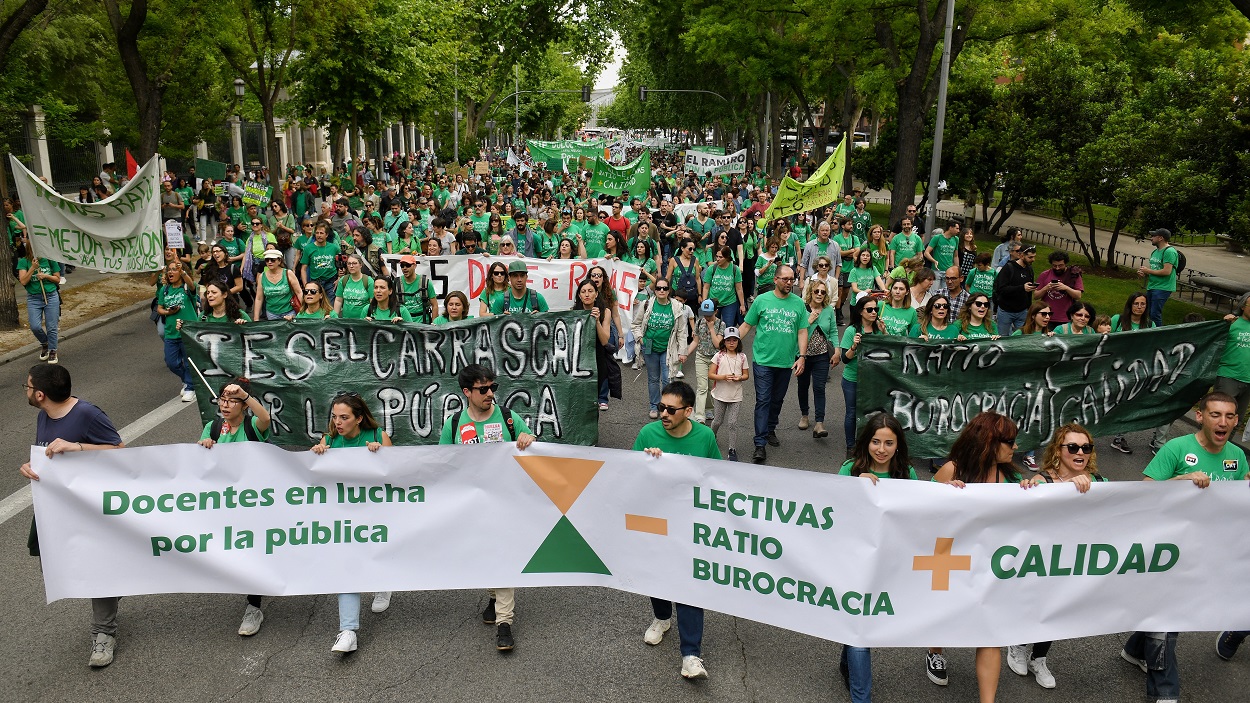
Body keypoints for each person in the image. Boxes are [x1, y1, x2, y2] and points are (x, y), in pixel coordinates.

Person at [1124, 391, 1246, 702]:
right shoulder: (1177, 448)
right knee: (1169, 616)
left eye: (1229, 416)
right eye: (1216, 414)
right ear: (1201, 416)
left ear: (1235, 421)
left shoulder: (1237, 455)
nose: (1223, 422)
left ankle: (1134, 648)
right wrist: (1182, 481)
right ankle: (1165, 693)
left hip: (1206, 552)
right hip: (1168, 550)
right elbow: (1144, 494)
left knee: (1166, 613)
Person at [20, 363, 124, 667]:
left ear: (40, 394)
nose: (25, 391)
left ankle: (104, 634)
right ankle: (117, 584)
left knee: (95, 570)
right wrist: (31, 467)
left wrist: (77, 447)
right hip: (55, 508)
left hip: (90, 509)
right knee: (57, 567)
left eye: (26, 386)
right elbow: (48, 456)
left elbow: (121, 450)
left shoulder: (87, 414)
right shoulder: (44, 414)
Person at [932, 411, 1033, 700]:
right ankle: (935, 649)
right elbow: (922, 517)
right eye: (1010, 441)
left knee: (990, 631)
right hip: (951, 560)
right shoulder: (952, 470)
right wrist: (943, 493)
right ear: (990, 441)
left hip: (988, 565)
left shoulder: (1011, 476)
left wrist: (1029, 492)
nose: (1015, 447)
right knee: (941, 613)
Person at [439, 364, 536, 652]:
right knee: (483, 556)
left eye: (493, 387)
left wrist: (528, 439)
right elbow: (442, 461)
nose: (490, 394)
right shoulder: (454, 423)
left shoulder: (508, 417)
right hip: (471, 506)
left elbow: (533, 445)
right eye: (483, 389)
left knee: (503, 556)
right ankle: (494, 596)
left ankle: (504, 623)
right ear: (467, 392)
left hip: (505, 503)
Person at [1006, 422, 1106, 690]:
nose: (1080, 452)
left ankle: (1039, 657)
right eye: (1072, 446)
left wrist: (1179, 482)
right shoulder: (1042, 480)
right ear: (1059, 450)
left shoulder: (1099, 482)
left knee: (1057, 607)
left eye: (1086, 447)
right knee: (1036, 602)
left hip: (1075, 557)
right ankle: (1018, 643)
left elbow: (1134, 503)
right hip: (1043, 556)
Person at [634, 380, 721, 680]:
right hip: (656, 520)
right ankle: (661, 618)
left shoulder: (705, 437)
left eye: (670, 410)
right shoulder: (648, 434)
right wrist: (647, 462)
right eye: (660, 407)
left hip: (691, 522)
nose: (663, 414)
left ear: (688, 411)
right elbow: (628, 474)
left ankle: (691, 655)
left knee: (689, 585)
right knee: (657, 577)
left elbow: (719, 477)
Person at [310, 392, 394, 653]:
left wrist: (382, 456)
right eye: (335, 417)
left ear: (359, 418)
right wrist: (316, 455)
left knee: (376, 554)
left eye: (344, 417)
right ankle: (348, 630)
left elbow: (399, 476)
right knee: (346, 566)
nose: (338, 422)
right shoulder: (329, 441)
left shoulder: (378, 437)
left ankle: (383, 583)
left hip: (375, 514)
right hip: (344, 516)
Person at [197, 380, 272, 636]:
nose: (225, 405)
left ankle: (254, 607)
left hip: (255, 502)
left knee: (253, 550)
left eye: (232, 400)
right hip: (226, 502)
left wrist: (245, 394)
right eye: (222, 399)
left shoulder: (252, 424)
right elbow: (201, 463)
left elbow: (265, 417)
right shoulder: (214, 426)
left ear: (243, 404)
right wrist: (205, 446)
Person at [739, 265, 809, 464]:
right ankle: (759, 443)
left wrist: (802, 356)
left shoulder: (798, 304)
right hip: (763, 360)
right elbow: (746, 325)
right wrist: (730, 345)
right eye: (785, 279)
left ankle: (770, 428)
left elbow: (802, 331)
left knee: (777, 400)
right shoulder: (762, 300)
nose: (789, 283)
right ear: (776, 279)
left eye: (792, 279)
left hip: (785, 361)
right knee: (763, 400)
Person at [631, 278, 695, 418]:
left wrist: (682, 352)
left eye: (664, 288)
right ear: (654, 290)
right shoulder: (646, 304)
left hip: (668, 349)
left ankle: (666, 406)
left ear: (669, 290)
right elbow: (635, 324)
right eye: (659, 288)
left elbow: (682, 332)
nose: (661, 290)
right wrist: (641, 339)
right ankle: (654, 406)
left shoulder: (676, 306)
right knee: (653, 378)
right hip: (649, 347)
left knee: (667, 378)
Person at [840, 292, 888, 453]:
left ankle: (865, 443)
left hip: (872, 380)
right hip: (853, 378)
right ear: (861, 311)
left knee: (871, 413)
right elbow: (845, 360)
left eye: (875, 309)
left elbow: (889, 353)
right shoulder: (851, 331)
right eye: (869, 310)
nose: (874, 312)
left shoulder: (879, 329)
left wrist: (885, 333)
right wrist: (854, 347)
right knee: (852, 412)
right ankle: (850, 446)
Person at [796, 278, 836, 438]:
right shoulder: (801, 308)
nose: (819, 294)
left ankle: (819, 423)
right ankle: (804, 415)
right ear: (810, 292)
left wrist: (837, 350)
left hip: (822, 355)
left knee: (819, 388)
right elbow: (797, 331)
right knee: (803, 386)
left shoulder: (828, 310)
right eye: (816, 291)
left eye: (823, 292)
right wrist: (809, 320)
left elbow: (833, 331)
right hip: (803, 356)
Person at [574, 279, 622, 410]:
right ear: (579, 295)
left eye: (590, 291)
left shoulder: (605, 311)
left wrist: (596, 321)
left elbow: (605, 340)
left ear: (596, 294)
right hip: (580, 359)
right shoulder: (574, 311)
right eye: (583, 292)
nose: (587, 294)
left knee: (593, 397)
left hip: (598, 358)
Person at [157, 261, 199, 402]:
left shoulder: (187, 287)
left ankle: (190, 388)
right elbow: (160, 308)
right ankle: (187, 380)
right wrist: (169, 312)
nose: (171, 272)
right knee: (171, 362)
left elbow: (193, 285)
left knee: (189, 362)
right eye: (169, 270)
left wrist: (183, 272)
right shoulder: (165, 290)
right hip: (171, 332)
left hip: (187, 331)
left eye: (174, 269)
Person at [17, 242, 62, 364]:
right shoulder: (23, 262)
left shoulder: (50, 260)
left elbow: (58, 279)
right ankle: (45, 343)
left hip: (51, 296)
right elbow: (23, 281)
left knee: (51, 326)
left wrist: (46, 276)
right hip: (34, 298)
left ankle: (53, 350)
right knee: (35, 326)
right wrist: (32, 268)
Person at [709, 327, 749, 461]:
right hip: (720, 394)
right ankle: (711, 436)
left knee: (732, 423)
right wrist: (723, 377)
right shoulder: (719, 356)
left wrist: (740, 378)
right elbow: (711, 374)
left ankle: (732, 449)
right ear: (724, 342)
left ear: (738, 341)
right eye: (728, 340)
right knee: (717, 421)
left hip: (736, 396)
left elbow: (746, 375)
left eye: (734, 340)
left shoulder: (742, 357)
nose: (731, 343)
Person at [1214, 293, 1250, 439]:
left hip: (1248, 380)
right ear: (1242, 306)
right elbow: (1214, 342)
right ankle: (1205, 448)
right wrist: (1223, 323)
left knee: (1236, 420)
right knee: (1218, 417)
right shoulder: (1232, 323)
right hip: (1228, 376)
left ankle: (1223, 450)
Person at [692, 299, 725, 423]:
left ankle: (709, 408)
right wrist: (685, 354)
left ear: (716, 311)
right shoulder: (699, 322)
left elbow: (718, 345)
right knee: (702, 387)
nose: (706, 317)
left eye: (709, 315)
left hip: (714, 359)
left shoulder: (721, 324)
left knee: (711, 386)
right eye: (705, 314)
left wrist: (711, 328)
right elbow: (695, 341)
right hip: (701, 356)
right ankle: (699, 415)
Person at [1138, 228, 1179, 328]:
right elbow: (1155, 270)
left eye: (1153, 236)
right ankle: (1148, 332)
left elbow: (1166, 271)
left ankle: (1159, 336)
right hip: (1152, 286)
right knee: (1147, 313)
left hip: (1163, 287)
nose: (1151, 238)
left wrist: (1148, 271)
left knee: (1154, 314)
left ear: (1160, 238)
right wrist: (1144, 273)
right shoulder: (1155, 252)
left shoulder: (1170, 252)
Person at [994, 244, 1037, 335]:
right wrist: (1022, 288)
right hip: (1006, 310)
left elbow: (1029, 293)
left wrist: (1029, 308)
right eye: (1030, 257)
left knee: (1022, 338)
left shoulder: (1029, 269)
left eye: (1034, 257)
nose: (1033, 260)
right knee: (1003, 338)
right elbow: (1001, 289)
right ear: (1021, 256)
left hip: (1022, 311)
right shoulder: (1009, 268)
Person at [1034, 251, 1083, 329]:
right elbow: (1036, 296)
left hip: (1065, 317)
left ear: (1065, 263)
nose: (1057, 268)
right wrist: (1046, 288)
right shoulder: (1045, 275)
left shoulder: (1073, 275)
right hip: (1047, 317)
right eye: (1054, 266)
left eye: (1060, 265)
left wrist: (1066, 288)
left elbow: (1078, 296)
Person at [252, 249, 301, 320]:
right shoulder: (262, 276)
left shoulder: (288, 273)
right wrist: (256, 318)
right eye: (267, 260)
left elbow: (299, 292)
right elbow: (259, 298)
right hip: (271, 313)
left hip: (290, 311)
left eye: (273, 260)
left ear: (279, 261)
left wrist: (303, 311)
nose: (269, 262)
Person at [703, 246, 744, 326]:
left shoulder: (735, 269)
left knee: (728, 326)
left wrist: (742, 305)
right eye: (717, 256)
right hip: (713, 302)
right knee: (712, 326)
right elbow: (706, 287)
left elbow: (739, 289)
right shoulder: (711, 268)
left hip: (729, 302)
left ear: (727, 257)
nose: (717, 259)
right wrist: (705, 302)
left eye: (721, 257)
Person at [396, 254, 438, 323]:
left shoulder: (425, 283)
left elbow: (434, 305)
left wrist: (433, 324)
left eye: (408, 265)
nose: (404, 268)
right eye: (402, 266)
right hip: (404, 324)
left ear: (415, 266)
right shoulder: (396, 283)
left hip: (424, 323)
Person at [333, 254, 374, 319]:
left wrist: (371, 316)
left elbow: (372, 301)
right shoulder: (343, 280)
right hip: (346, 320)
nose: (351, 266)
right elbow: (338, 300)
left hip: (364, 320)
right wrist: (334, 317)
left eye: (354, 263)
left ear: (360, 265)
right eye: (349, 263)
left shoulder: (368, 281)